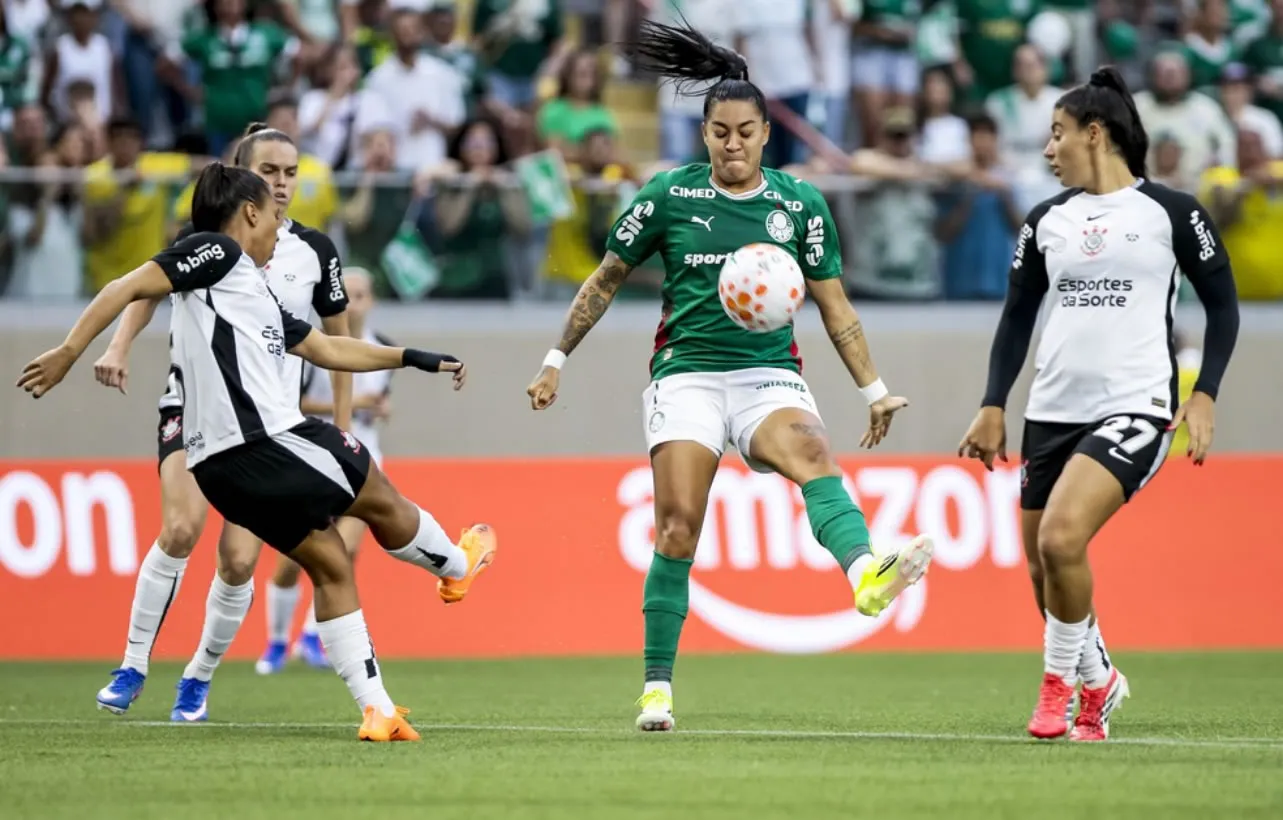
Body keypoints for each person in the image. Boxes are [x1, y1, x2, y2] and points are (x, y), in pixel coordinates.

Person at [525, 19, 935, 733]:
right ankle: (657, 688)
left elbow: (835, 307)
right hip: (686, 376)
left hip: (767, 375)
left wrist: (873, 389)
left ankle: (865, 574)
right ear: (705, 133)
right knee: (677, 527)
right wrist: (555, 360)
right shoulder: (668, 196)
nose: (733, 143)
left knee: (813, 452)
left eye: (746, 131)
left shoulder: (798, 205)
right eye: (720, 132)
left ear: (766, 133)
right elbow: (604, 279)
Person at [18, 163, 495, 742]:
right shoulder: (217, 252)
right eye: (273, 214)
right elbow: (126, 286)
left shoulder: (250, 291)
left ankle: (378, 712)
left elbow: (327, 348)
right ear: (250, 212)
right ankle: (456, 567)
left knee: (329, 563)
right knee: (378, 493)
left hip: (220, 472)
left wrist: (412, 357)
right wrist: (70, 351)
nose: (278, 226)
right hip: (269, 441)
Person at [958, 67, 1240, 742]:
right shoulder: (1045, 221)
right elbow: (1016, 318)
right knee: (1042, 567)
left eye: (1056, 133)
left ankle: (1057, 690)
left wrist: (1204, 393)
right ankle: (1099, 679)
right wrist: (993, 403)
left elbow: (1223, 306)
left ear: (1094, 133)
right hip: (1051, 408)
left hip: (1135, 405)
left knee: (1061, 539)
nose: (1047, 149)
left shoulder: (1172, 212)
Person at [87, 122, 358, 723]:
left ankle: (198, 677)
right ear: (241, 176)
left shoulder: (315, 251)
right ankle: (131, 665)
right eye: (268, 171)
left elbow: (339, 346)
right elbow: (146, 290)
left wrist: (342, 433)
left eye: (291, 173)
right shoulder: (205, 240)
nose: (281, 183)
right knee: (181, 528)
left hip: (268, 427)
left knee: (238, 561)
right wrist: (118, 346)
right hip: (191, 407)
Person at [260, 268, 396, 672]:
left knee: (346, 550)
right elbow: (293, 404)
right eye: (346, 295)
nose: (352, 304)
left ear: (372, 301)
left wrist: (380, 409)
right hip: (312, 457)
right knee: (295, 557)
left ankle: (310, 635)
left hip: (362, 459)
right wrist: (354, 405)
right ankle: (277, 641)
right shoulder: (311, 345)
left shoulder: (384, 348)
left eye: (361, 295)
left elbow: (380, 402)